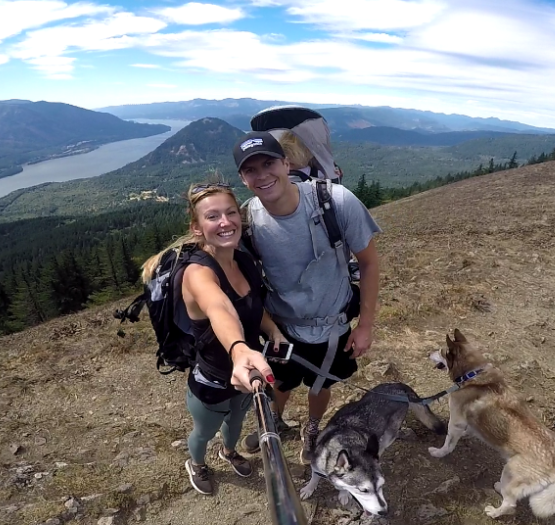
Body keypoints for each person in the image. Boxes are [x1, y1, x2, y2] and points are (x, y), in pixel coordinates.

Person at [233, 131, 382, 463]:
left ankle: (312, 428)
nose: (262, 175)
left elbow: (369, 263)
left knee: (320, 384)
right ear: (243, 178)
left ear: (286, 163)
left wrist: (366, 326)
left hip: (332, 325)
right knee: (280, 381)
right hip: (281, 328)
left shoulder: (335, 201)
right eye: (251, 170)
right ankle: (272, 423)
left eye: (269, 163)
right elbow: (245, 283)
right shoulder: (247, 220)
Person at [141, 179, 282, 496]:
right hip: (214, 378)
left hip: (246, 374)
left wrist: (271, 328)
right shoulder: (197, 274)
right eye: (213, 216)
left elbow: (249, 305)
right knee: (203, 432)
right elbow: (219, 308)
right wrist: (239, 349)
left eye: (231, 213)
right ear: (196, 228)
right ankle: (197, 462)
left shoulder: (243, 260)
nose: (225, 222)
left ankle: (229, 452)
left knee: (235, 423)